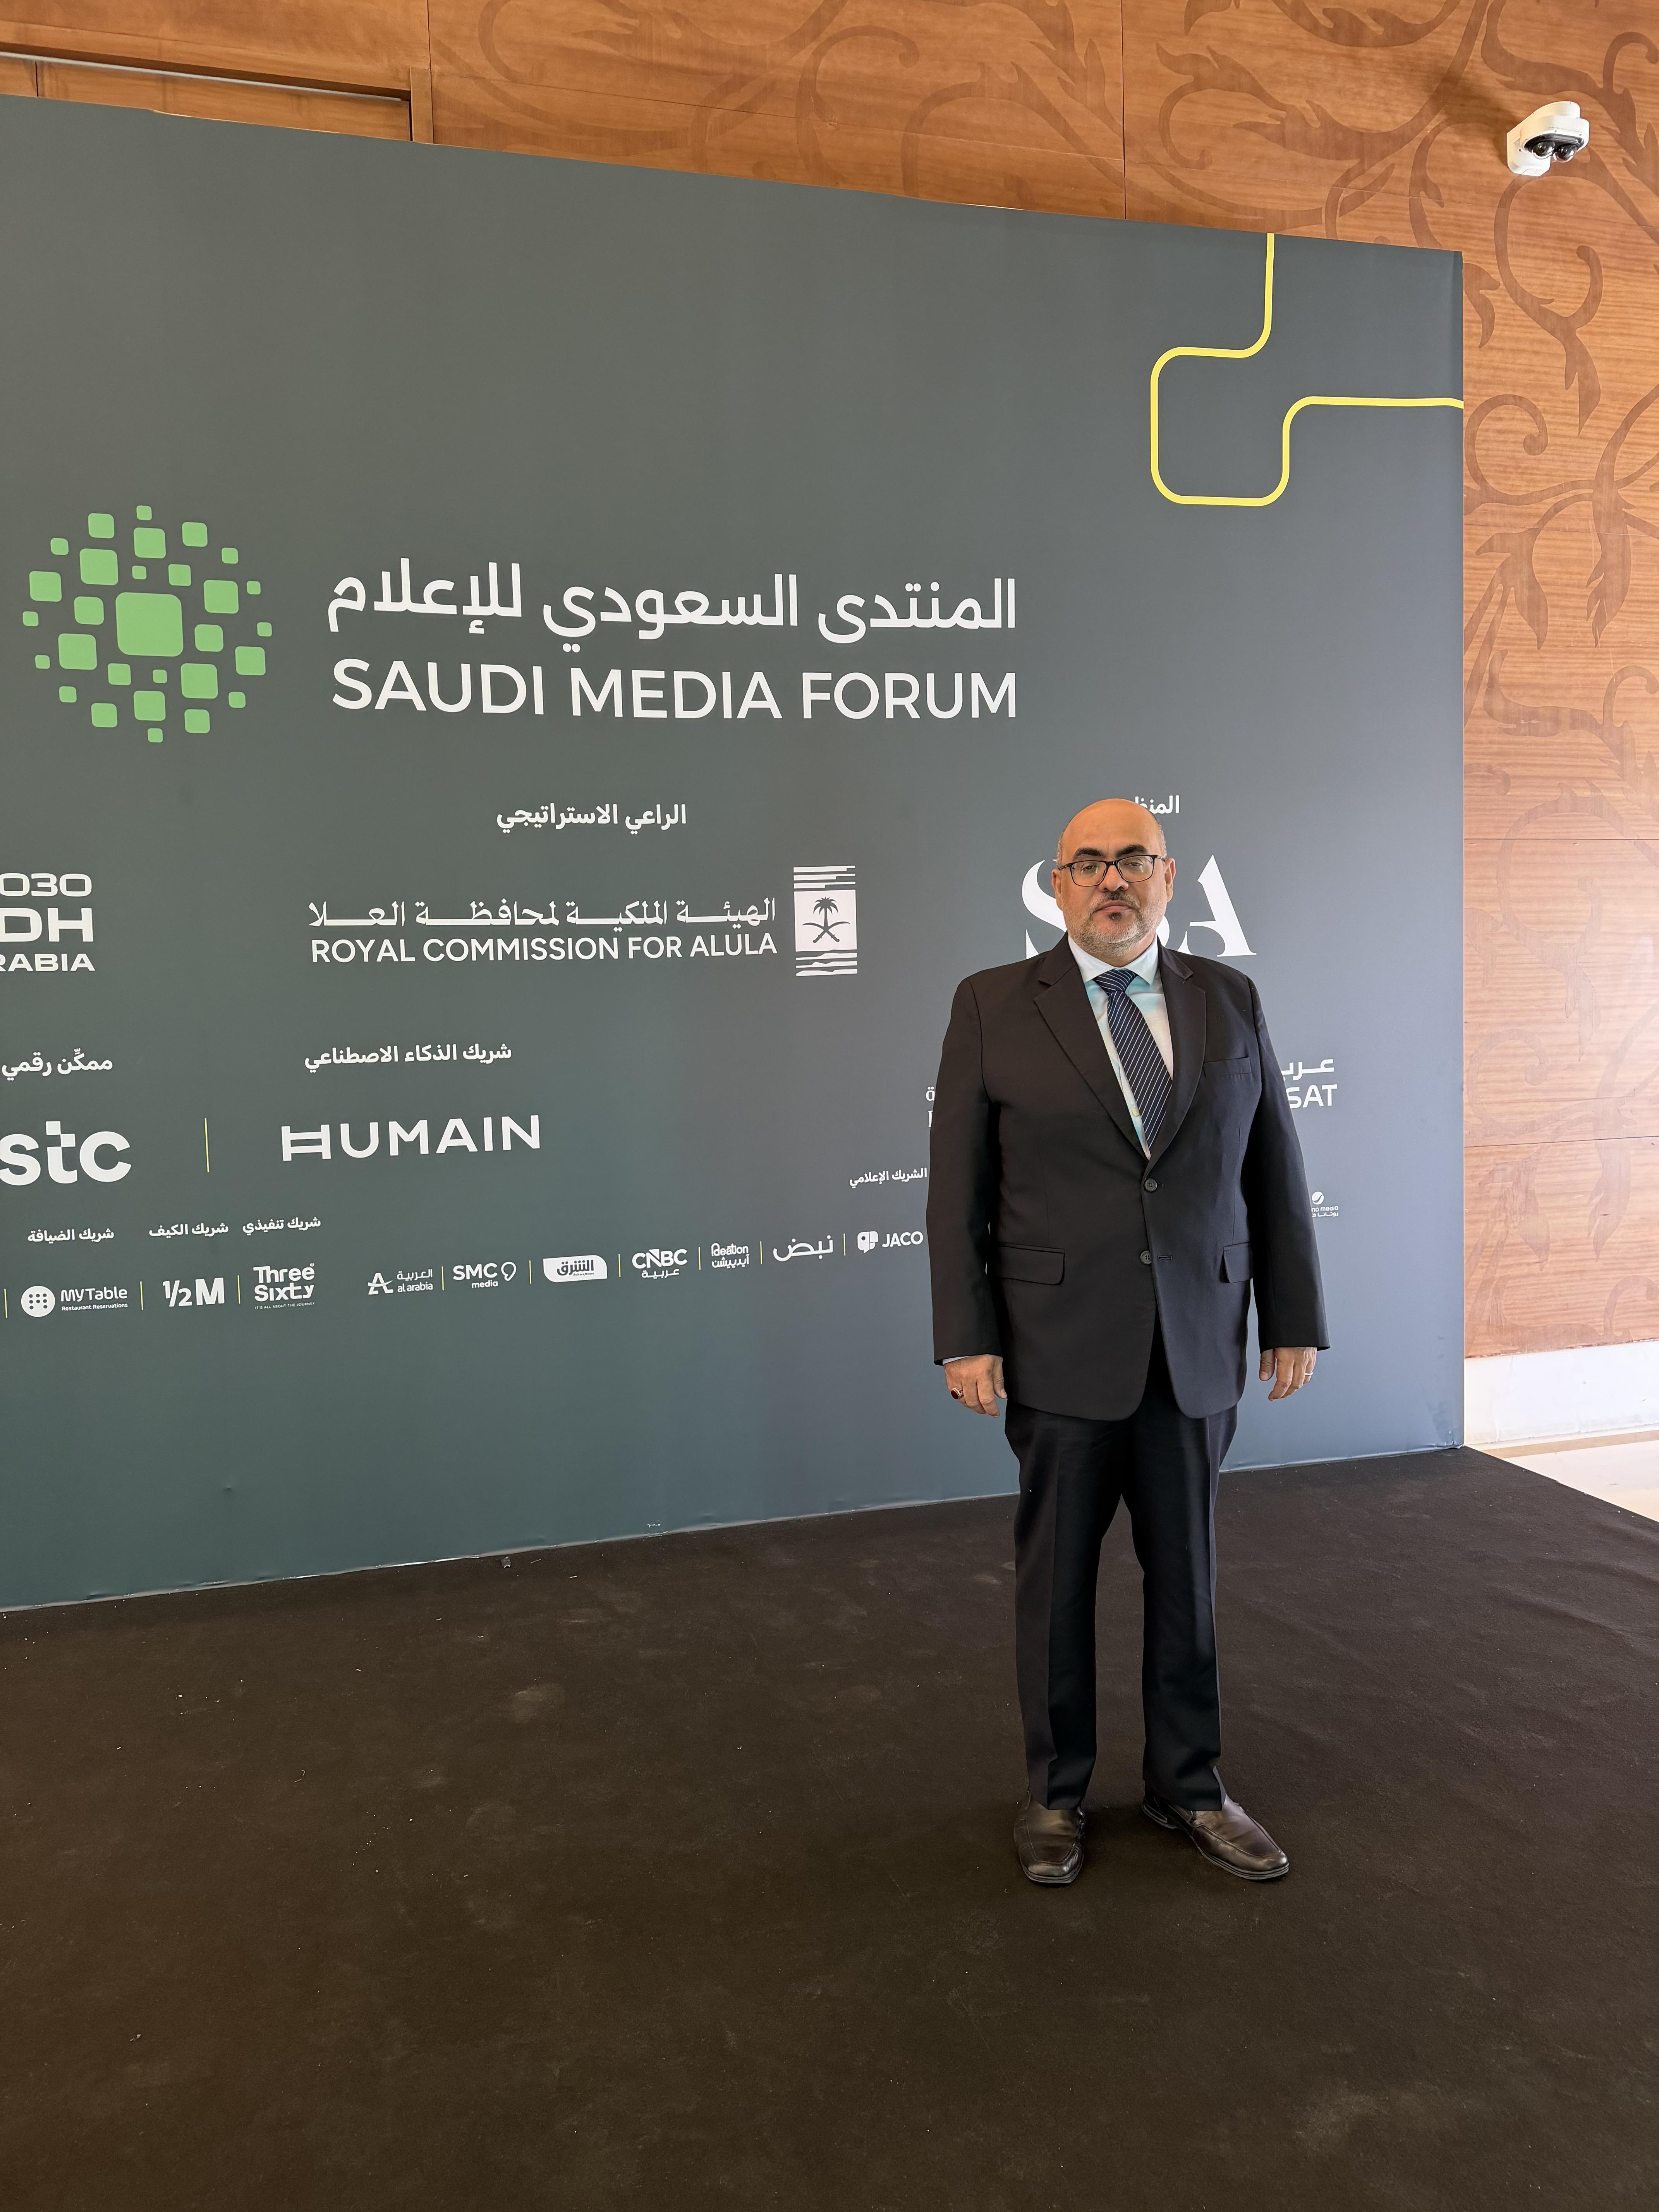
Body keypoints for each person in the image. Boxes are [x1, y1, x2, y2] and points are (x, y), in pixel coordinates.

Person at [927, 799, 1326, 1886]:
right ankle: (1056, 1794)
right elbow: (957, 1188)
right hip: (1058, 1346)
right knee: (1056, 1586)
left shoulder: (1228, 996)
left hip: (1196, 1343)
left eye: (1134, 860)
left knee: (1187, 1581)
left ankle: (1189, 1786)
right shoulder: (992, 1004)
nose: (1113, 880)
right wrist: (966, 1337)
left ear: (1168, 875)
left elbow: (1272, 1165)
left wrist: (1292, 1313)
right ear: (1056, 884)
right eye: (1090, 863)